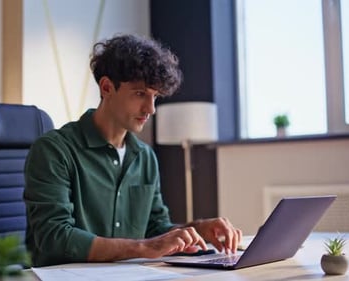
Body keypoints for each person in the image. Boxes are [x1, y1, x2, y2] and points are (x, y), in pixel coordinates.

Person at [23, 33, 242, 267]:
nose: (151, 109)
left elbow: (156, 228)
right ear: (106, 87)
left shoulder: (145, 157)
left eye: (155, 96)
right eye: (140, 94)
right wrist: (145, 247)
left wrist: (197, 229)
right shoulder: (55, 150)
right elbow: (54, 238)